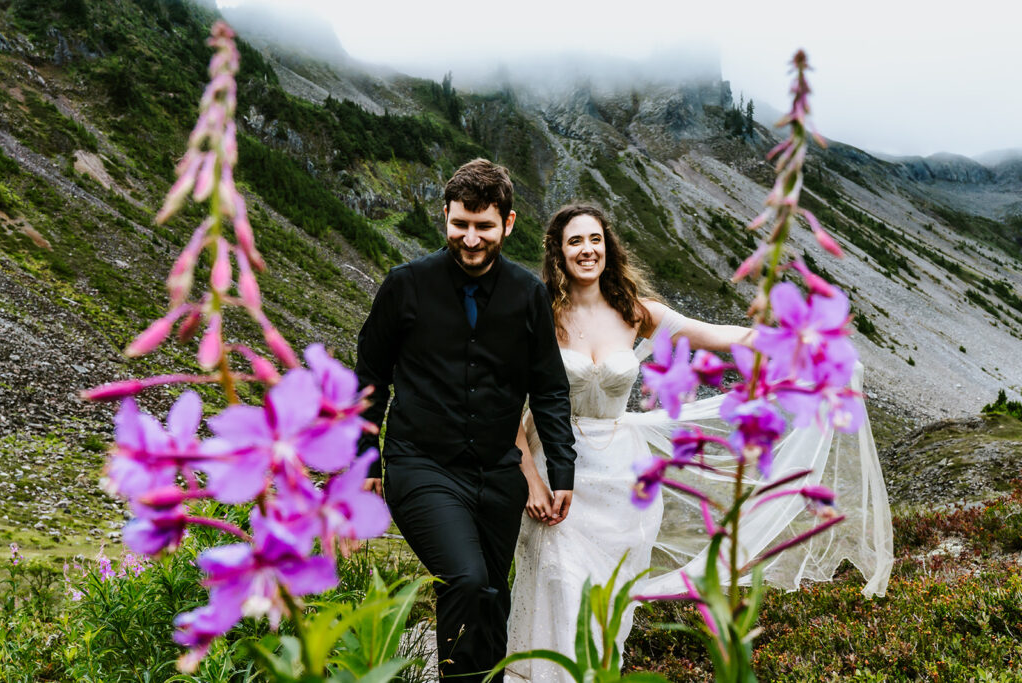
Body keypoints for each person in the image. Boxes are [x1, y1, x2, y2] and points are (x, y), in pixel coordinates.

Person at [505, 204, 893, 682]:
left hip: (622, 479)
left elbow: (715, 338)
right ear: (558, 253)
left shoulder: (634, 311)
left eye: (595, 239)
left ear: (608, 246)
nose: (587, 250)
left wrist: (793, 342)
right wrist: (530, 482)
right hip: (555, 474)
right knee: (559, 586)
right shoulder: (537, 313)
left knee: (607, 603)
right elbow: (509, 409)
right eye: (575, 242)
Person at [355, 159, 577, 683]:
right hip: (420, 465)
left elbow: (548, 387)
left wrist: (562, 469)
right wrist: (364, 460)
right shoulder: (404, 286)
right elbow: (368, 377)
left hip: (499, 476)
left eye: (483, 226)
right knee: (468, 580)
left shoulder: (528, 295)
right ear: (445, 218)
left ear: (509, 223)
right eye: (460, 224)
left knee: (490, 600)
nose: (470, 239)